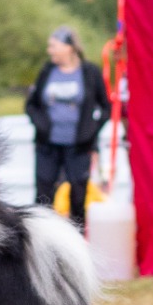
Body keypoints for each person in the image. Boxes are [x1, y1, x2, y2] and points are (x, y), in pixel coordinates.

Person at [25, 27, 109, 229]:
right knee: (44, 194)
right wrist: (42, 125)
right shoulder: (47, 71)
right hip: (48, 144)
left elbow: (106, 107)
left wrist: (91, 131)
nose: (49, 50)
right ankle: (43, 238)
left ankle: (78, 240)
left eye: (53, 46)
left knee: (79, 194)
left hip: (78, 145)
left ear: (69, 47)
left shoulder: (89, 72)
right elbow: (31, 104)